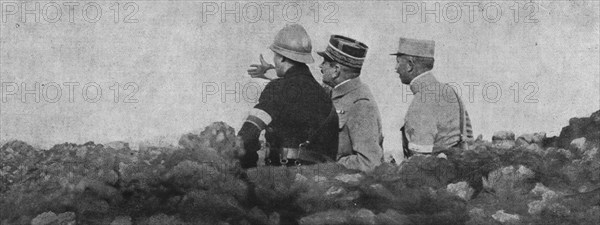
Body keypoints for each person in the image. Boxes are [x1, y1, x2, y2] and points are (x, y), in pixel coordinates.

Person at [237, 24, 339, 168]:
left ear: (283, 58)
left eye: (275, 55)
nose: (274, 61)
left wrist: (248, 167)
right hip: (319, 183)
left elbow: (246, 137)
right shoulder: (324, 96)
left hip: (284, 181)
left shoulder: (277, 89)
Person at [391, 37, 473, 158]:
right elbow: (469, 138)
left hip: (436, 175)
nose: (395, 68)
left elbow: (419, 162)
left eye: (398, 62)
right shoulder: (449, 91)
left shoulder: (422, 101)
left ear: (409, 65)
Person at [316, 35, 384, 172]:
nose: (320, 66)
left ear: (336, 70)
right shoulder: (338, 93)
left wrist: (331, 164)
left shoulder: (360, 104)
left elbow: (369, 163)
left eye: (325, 62)